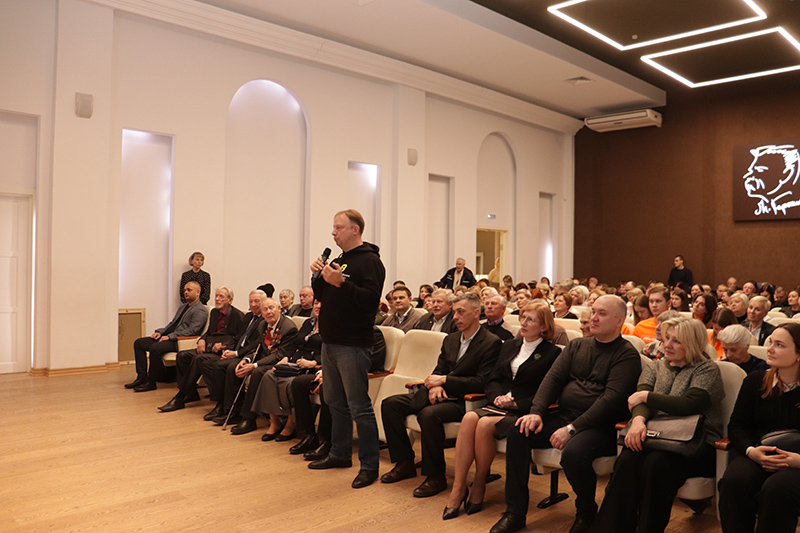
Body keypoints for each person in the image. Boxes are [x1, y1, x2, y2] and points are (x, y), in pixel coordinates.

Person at [490, 296, 640, 533]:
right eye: (593, 312)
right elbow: (552, 380)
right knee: (519, 431)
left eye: (601, 313)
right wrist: (537, 413)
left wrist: (572, 429)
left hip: (600, 426)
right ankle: (515, 512)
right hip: (564, 416)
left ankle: (586, 512)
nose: (593, 318)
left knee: (574, 452)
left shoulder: (627, 355)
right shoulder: (577, 345)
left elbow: (610, 401)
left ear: (620, 320)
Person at [590, 316, 724, 533]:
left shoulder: (707, 370)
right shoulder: (655, 366)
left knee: (656, 464)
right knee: (627, 459)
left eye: (676, 341)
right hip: (655, 436)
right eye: (667, 338)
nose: (667, 345)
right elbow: (639, 402)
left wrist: (646, 396)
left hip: (695, 444)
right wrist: (638, 421)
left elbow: (690, 404)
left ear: (692, 344)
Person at [443, 302, 561, 520]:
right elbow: (493, 378)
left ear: (544, 326)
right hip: (498, 405)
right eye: (523, 318)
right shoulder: (510, 345)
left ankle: (479, 484)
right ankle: (458, 488)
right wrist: (496, 396)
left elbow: (549, 392)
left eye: (531, 320)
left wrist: (517, 404)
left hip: (523, 411)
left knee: (484, 423)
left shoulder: (552, 353)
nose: (523, 323)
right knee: (469, 418)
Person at [380, 293, 502, 498]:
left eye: (461, 312)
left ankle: (436, 476)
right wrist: (436, 385)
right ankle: (404, 463)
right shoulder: (451, 339)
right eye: (454, 312)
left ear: (475, 313)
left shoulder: (491, 342)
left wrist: (445, 381)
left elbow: (482, 382)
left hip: (466, 401)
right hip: (441, 394)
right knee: (391, 404)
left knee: (429, 414)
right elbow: (440, 369)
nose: (455, 317)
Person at [307, 209, 386, 490]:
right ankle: (340, 454)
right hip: (330, 341)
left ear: (355, 229)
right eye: (333, 227)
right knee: (335, 402)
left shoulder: (370, 261)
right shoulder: (339, 260)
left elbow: (369, 301)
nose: (333, 232)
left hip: (353, 343)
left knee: (359, 406)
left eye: (339, 227)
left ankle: (369, 465)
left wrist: (342, 282)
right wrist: (318, 276)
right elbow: (323, 295)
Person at [718, 323, 800, 533]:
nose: (769, 349)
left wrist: (796, 460)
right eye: (770, 342)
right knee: (733, 482)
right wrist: (751, 451)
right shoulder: (756, 380)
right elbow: (737, 425)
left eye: (779, 345)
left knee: (777, 490)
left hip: (796, 461)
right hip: (758, 453)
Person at [158, 286, 244, 412]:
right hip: (210, 347)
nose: (217, 299)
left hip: (222, 351)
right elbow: (208, 332)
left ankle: (180, 397)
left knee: (199, 359)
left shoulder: (238, 316)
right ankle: (191, 393)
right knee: (182, 355)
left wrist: (223, 345)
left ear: (230, 300)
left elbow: (239, 339)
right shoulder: (214, 313)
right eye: (216, 296)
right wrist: (202, 339)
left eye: (221, 296)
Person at [251, 300, 323, 442]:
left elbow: (330, 351)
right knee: (269, 375)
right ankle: (275, 422)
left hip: (310, 366)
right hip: (294, 362)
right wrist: (286, 357)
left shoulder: (331, 328)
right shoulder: (308, 323)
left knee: (290, 383)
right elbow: (294, 344)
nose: (318, 306)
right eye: (316, 303)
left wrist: (314, 362)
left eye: (322, 304)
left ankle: (291, 424)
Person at [226, 298, 299, 432]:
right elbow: (257, 347)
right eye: (265, 309)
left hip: (279, 363)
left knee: (257, 372)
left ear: (279, 309)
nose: (269, 312)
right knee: (233, 366)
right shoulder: (262, 325)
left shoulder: (288, 328)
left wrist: (255, 365)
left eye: (271, 308)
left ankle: (249, 419)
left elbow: (279, 354)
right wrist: (247, 360)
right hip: (263, 360)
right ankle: (232, 411)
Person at [126, 281, 208, 392]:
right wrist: (160, 332)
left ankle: (151, 382)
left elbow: (192, 331)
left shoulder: (200, 310)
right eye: (185, 290)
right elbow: (172, 324)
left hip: (179, 341)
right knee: (139, 343)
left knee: (155, 348)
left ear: (198, 292)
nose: (185, 292)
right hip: (169, 336)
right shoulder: (183, 307)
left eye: (189, 290)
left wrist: (170, 337)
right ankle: (141, 378)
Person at [203, 289, 267, 421]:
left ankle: (231, 410)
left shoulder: (264, 321)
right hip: (237, 351)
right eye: (251, 301)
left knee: (225, 367)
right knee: (208, 364)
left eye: (257, 301)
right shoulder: (248, 317)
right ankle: (221, 404)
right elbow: (237, 337)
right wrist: (228, 350)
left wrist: (236, 353)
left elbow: (255, 344)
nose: (253, 304)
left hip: (248, 355)